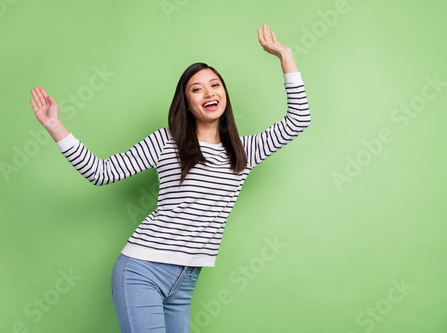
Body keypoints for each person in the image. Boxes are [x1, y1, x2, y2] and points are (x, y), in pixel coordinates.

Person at [29, 23, 311, 333]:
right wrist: (55, 127)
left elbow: (299, 118)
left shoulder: (244, 152)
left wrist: (285, 55)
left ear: (224, 94)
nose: (208, 93)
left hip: (186, 280)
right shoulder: (168, 142)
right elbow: (102, 173)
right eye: (197, 89)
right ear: (187, 103)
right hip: (142, 271)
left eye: (215, 85)